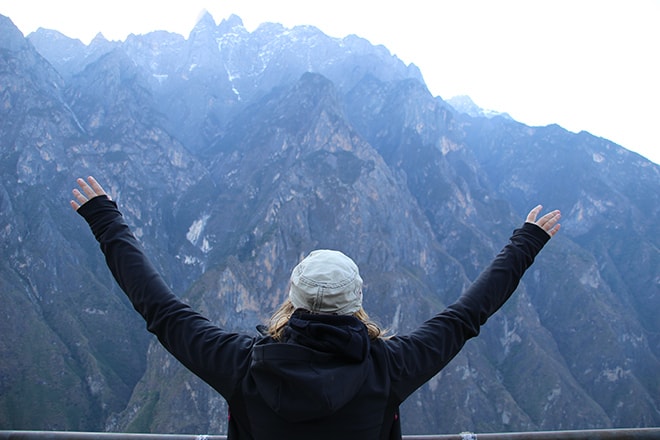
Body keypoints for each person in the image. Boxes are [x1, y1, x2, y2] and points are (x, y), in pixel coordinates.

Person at [71, 176, 561, 440]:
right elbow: (465, 317)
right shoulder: (388, 368)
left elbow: (163, 312)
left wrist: (105, 221)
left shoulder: (244, 367)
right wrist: (526, 242)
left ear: (292, 300)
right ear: (357, 305)